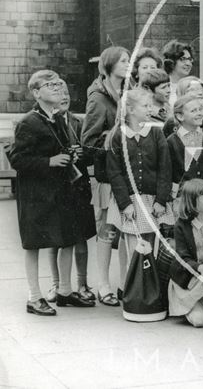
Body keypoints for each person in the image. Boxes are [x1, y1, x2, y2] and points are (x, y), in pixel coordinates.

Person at [9, 71, 96, 316]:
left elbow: (60, 148)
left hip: (58, 192)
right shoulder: (29, 121)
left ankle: (65, 292)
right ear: (36, 93)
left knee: (66, 237)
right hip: (36, 195)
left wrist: (71, 155)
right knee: (34, 244)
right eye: (50, 85)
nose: (58, 88)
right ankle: (34, 297)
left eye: (58, 84)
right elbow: (18, 159)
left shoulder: (56, 118)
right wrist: (50, 161)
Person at [81, 46, 130, 307]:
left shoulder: (127, 92)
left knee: (126, 231)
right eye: (123, 60)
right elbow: (88, 141)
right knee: (107, 230)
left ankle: (124, 284)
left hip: (129, 173)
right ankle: (103, 285)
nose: (128, 64)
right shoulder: (98, 97)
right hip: (108, 175)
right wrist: (119, 136)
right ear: (109, 65)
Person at [105, 88, 174, 266]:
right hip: (130, 202)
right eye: (145, 106)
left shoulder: (156, 133)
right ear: (130, 110)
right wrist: (125, 204)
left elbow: (165, 169)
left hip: (153, 201)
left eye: (150, 105)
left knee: (151, 250)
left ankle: (149, 291)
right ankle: (134, 291)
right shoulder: (117, 136)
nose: (150, 109)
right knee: (134, 253)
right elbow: (115, 173)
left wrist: (161, 200)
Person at [46, 83, 96, 303]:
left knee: (81, 236)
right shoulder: (45, 122)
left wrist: (82, 154)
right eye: (59, 93)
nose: (64, 97)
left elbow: (90, 153)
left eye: (67, 92)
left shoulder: (79, 122)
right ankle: (56, 284)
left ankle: (82, 283)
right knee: (55, 239)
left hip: (78, 186)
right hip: (57, 188)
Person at [168, 179, 203, 327]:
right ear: (193, 202)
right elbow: (183, 257)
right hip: (189, 276)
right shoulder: (182, 224)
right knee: (200, 321)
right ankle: (189, 303)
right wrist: (201, 268)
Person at [167, 93, 203, 190]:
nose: (199, 113)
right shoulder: (171, 141)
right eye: (193, 111)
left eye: (200, 109)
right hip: (183, 196)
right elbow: (168, 173)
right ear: (180, 116)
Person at [162, 39, 194, 108]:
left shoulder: (193, 87)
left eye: (190, 59)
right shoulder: (162, 88)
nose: (188, 63)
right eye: (183, 59)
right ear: (171, 61)